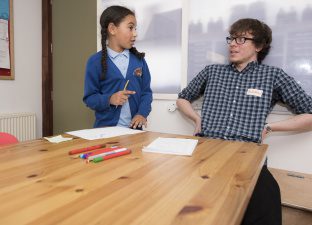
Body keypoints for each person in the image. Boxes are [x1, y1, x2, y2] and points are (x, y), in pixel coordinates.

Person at [177, 18, 312, 225]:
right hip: (208, 151)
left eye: (241, 39)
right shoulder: (212, 72)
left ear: (258, 45)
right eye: (231, 38)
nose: (232, 43)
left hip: (247, 154)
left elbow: (309, 113)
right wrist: (196, 118)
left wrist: (270, 127)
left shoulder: (273, 75)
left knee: (267, 200)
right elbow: (182, 98)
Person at [83, 5, 152, 129]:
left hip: (135, 132)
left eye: (135, 28)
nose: (135, 34)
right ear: (112, 29)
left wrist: (142, 114)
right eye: (130, 28)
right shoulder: (94, 62)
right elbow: (89, 98)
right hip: (105, 132)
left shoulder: (139, 61)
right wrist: (110, 99)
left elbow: (146, 93)